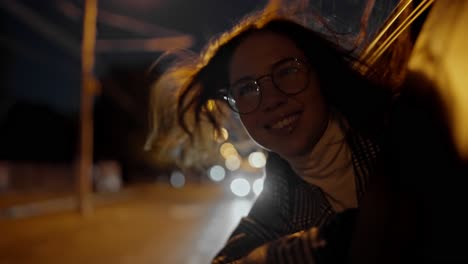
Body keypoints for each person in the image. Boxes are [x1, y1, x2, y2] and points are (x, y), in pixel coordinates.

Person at [147, 3, 468, 264]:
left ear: (320, 75)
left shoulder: (409, 130)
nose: (272, 99)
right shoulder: (276, 213)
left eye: (287, 72)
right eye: (247, 89)